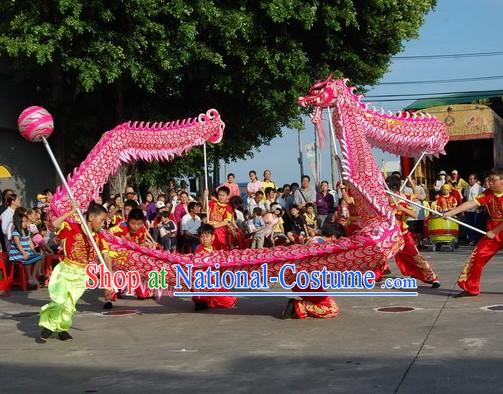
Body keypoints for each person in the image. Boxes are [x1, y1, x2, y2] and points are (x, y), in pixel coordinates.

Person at [39, 202, 111, 342]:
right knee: (59, 299)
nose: (102, 223)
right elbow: (54, 224)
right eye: (101, 220)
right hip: (65, 269)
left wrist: (109, 275)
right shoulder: (72, 228)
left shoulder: (98, 237)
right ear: (91, 217)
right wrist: (72, 211)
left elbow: (106, 256)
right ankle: (48, 326)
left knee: (70, 305)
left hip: (81, 274)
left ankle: (62, 329)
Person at [444, 168, 503, 297]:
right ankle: (471, 288)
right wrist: (451, 212)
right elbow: (470, 203)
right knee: (477, 257)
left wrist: (494, 231)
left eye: (493, 180)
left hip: (496, 231)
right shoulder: (487, 193)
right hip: (492, 234)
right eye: (489, 180)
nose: (490, 183)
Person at [386, 177, 440, 288]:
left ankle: (432, 277)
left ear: (395, 191)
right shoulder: (382, 201)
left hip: (403, 235)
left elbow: (414, 214)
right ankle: (374, 274)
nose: (385, 194)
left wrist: (402, 208)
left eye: (388, 192)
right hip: (389, 235)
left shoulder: (403, 200)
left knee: (415, 256)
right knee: (380, 254)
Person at [282, 224, 343, 319]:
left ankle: (300, 306)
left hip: (301, 280)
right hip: (306, 282)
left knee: (326, 303)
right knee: (331, 309)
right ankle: (297, 306)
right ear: (333, 237)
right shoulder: (322, 246)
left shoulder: (313, 240)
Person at [192, 224, 237, 311]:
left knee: (230, 300)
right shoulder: (199, 249)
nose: (204, 239)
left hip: (214, 279)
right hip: (203, 279)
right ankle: (200, 300)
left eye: (207, 236)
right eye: (202, 237)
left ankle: (206, 300)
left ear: (213, 237)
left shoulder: (214, 248)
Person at [8, 213, 43, 288]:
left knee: (39, 257)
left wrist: (33, 251)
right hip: (18, 254)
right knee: (27, 259)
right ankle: (29, 278)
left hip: (27, 252)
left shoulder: (27, 231)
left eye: (26, 221)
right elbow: (18, 245)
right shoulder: (15, 233)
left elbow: (30, 241)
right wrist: (24, 253)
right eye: (23, 222)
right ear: (18, 223)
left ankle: (33, 276)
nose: (25, 224)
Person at [463, 174, 485, 244]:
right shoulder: (466, 188)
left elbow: (482, 199)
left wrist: (479, 208)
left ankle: (478, 240)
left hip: (476, 210)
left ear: (476, 180)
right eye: (470, 179)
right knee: (470, 225)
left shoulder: (480, 188)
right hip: (468, 210)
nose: (471, 180)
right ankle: (471, 239)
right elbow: (466, 198)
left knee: (477, 225)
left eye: (473, 179)